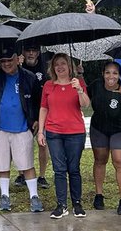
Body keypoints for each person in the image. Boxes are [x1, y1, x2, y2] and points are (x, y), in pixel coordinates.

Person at [0, 48, 42, 212]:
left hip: (23, 127)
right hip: (0, 127)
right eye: (3, 61)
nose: (6, 64)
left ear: (17, 59)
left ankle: (34, 196)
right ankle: (5, 196)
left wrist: (37, 118)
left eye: (10, 60)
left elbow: (38, 100)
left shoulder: (29, 77)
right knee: (2, 164)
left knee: (27, 163)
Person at [37, 52, 90, 218]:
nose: (60, 67)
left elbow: (86, 105)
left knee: (73, 169)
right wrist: (41, 131)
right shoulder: (48, 85)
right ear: (53, 68)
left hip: (75, 132)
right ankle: (61, 204)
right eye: (56, 64)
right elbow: (44, 107)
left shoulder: (78, 83)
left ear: (69, 66)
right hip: (54, 132)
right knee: (59, 169)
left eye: (63, 64)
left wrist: (80, 90)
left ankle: (77, 203)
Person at [88, 61, 121, 215]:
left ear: (120, 76)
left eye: (115, 73)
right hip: (99, 128)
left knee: (119, 160)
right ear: (103, 74)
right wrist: (79, 74)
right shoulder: (96, 86)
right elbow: (82, 99)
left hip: (120, 129)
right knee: (100, 159)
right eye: (108, 72)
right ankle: (99, 194)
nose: (111, 76)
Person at [19, 44, 51, 190]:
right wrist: (17, 67)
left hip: (42, 111)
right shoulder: (18, 66)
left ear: (38, 52)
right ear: (23, 52)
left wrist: (40, 118)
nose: (31, 53)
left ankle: (42, 176)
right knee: (22, 145)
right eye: (28, 50)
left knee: (42, 144)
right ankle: (22, 173)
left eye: (34, 50)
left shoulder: (45, 68)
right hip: (23, 111)